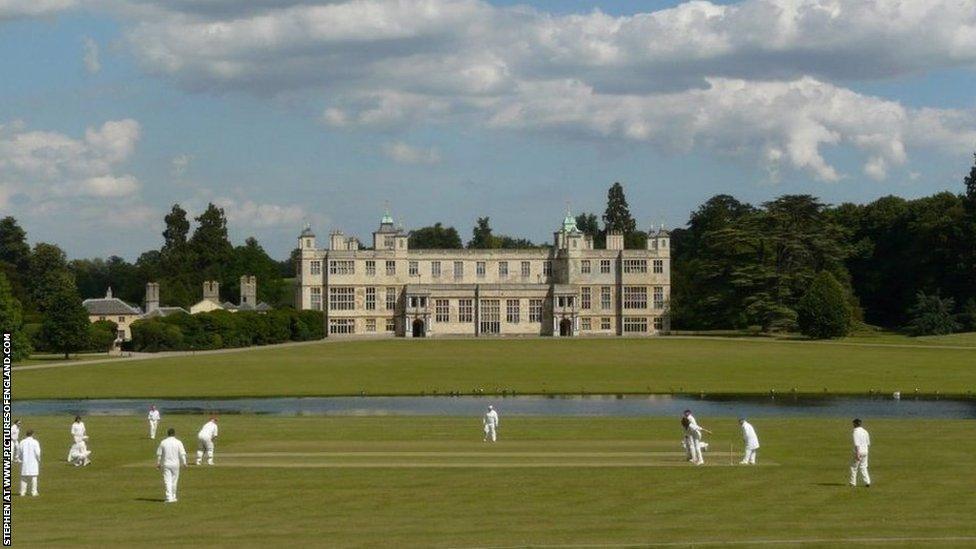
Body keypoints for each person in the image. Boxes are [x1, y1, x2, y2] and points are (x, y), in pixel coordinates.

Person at [157, 428, 188, 503]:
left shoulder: (163, 442)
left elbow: (159, 454)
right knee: (174, 481)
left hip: (166, 464)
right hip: (175, 464)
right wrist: (184, 462)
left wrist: (158, 463)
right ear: (174, 434)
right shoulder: (178, 442)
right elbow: (182, 453)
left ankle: (169, 497)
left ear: (167, 433)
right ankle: (173, 496)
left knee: (167, 481)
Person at [850, 418, 871, 487]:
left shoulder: (855, 432)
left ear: (855, 424)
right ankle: (867, 482)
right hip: (865, 451)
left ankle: (853, 483)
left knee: (854, 467)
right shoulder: (865, 431)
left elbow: (856, 444)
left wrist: (857, 453)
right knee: (864, 467)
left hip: (859, 451)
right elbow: (868, 443)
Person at [19, 430, 41, 497]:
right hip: (33, 461)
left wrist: (21, 458)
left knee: (24, 478)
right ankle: (34, 492)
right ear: (32, 434)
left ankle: (22, 492)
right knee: (34, 477)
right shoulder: (35, 442)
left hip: (25, 462)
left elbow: (20, 452)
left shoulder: (22, 442)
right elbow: (37, 452)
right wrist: (39, 459)